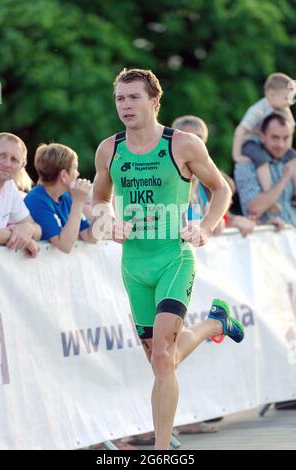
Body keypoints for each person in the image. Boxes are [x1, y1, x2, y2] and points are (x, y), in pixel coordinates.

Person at [93, 68, 245, 450]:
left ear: (155, 101)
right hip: (134, 265)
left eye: (133, 98)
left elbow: (220, 188)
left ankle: (161, 450)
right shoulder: (109, 149)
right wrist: (107, 220)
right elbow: (99, 198)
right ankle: (214, 324)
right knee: (162, 360)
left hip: (173, 257)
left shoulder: (182, 144)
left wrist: (207, 226)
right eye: (119, 99)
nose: (125, 106)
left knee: (162, 354)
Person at [173, 115, 256, 237]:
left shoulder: (212, 183)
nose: (192, 143)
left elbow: (224, 217)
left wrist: (232, 221)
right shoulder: (164, 177)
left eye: (198, 138)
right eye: (187, 137)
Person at [233, 72, 296, 210]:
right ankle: (269, 196)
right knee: (263, 162)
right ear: (271, 94)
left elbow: (290, 129)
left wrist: (287, 150)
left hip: (263, 143)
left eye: (291, 99)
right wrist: (237, 155)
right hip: (251, 142)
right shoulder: (257, 110)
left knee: (293, 158)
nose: (289, 103)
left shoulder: (284, 109)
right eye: (286, 98)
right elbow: (240, 131)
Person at [25, 143, 97, 253]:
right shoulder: (36, 200)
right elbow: (65, 246)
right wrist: (78, 202)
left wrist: (101, 204)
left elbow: (90, 237)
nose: (78, 174)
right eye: (75, 168)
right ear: (63, 175)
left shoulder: (65, 197)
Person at [235, 113, 296, 228]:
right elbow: (254, 208)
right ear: (262, 136)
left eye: (286, 138)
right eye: (275, 137)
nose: (281, 144)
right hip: (266, 243)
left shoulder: (291, 161)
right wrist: (285, 178)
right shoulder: (246, 166)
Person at [0, 132, 41, 258]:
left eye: (14, 159)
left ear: (22, 165)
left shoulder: (9, 187)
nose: (7, 164)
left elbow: (38, 230)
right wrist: (20, 238)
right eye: (1, 155)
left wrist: (28, 229)